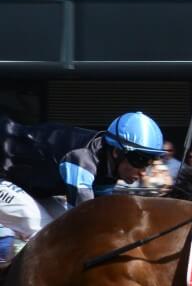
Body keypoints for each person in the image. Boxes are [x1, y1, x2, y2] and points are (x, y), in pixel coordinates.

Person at [0, 112, 166, 261]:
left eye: (150, 162)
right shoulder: (81, 160)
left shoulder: (109, 168)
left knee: (58, 226)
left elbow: (103, 216)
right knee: (43, 228)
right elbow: (84, 220)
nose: (144, 171)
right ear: (117, 152)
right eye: (140, 160)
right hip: (4, 177)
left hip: (26, 185)